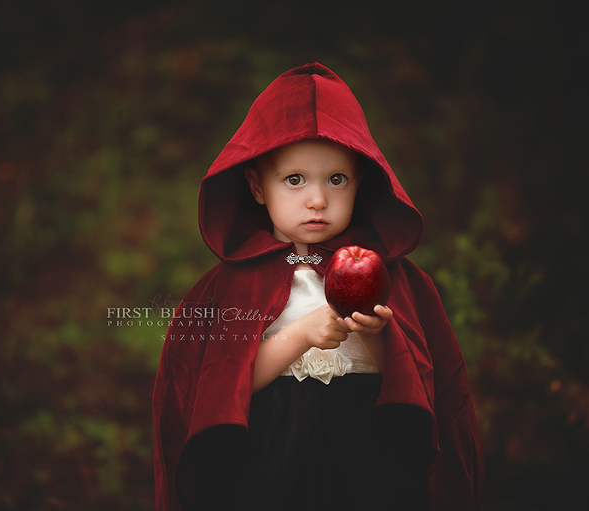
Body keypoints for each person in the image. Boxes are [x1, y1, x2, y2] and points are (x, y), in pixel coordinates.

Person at [152, 62, 484, 510]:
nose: (317, 200)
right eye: (294, 180)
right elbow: (223, 384)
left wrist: (379, 335)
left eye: (336, 179)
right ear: (256, 186)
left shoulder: (393, 277)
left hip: (366, 446)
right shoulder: (233, 285)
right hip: (272, 448)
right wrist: (301, 335)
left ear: (359, 181)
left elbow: (420, 386)